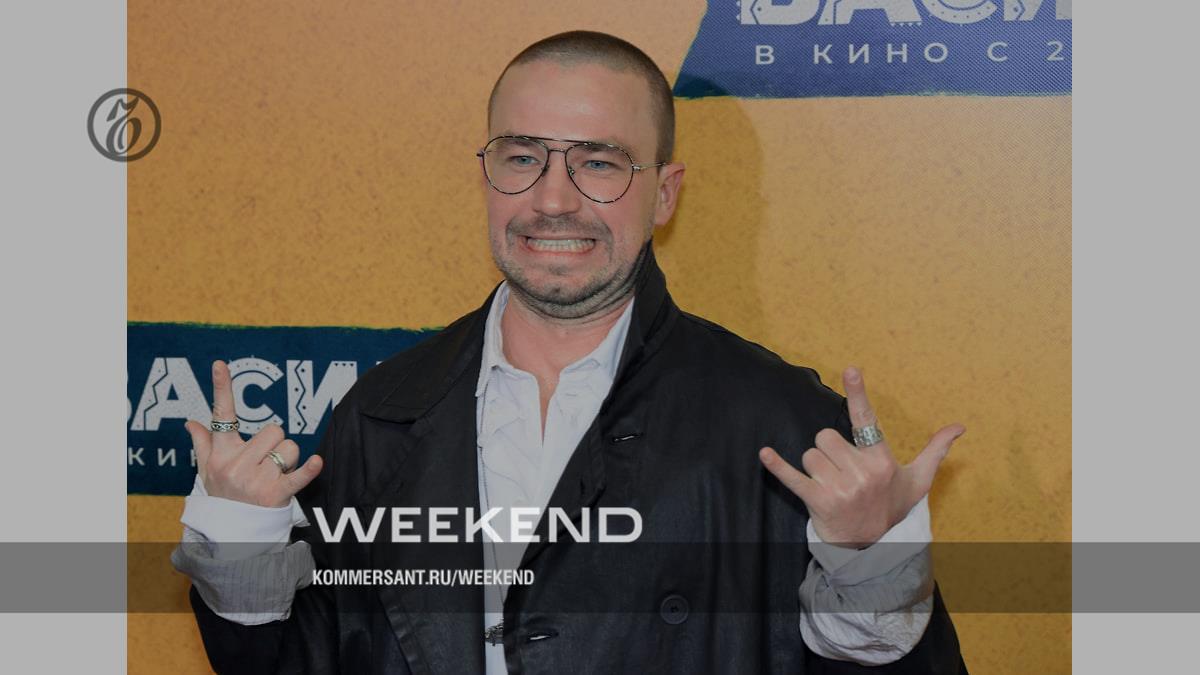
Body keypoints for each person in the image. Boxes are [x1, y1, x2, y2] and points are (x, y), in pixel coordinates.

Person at [172, 30, 968, 674]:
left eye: (598, 163)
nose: (553, 199)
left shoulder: (787, 430)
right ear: (486, 176)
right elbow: (298, 659)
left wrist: (873, 565)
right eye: (522, 158)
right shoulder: (379, 416)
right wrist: (238, 540)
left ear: (665, 193)